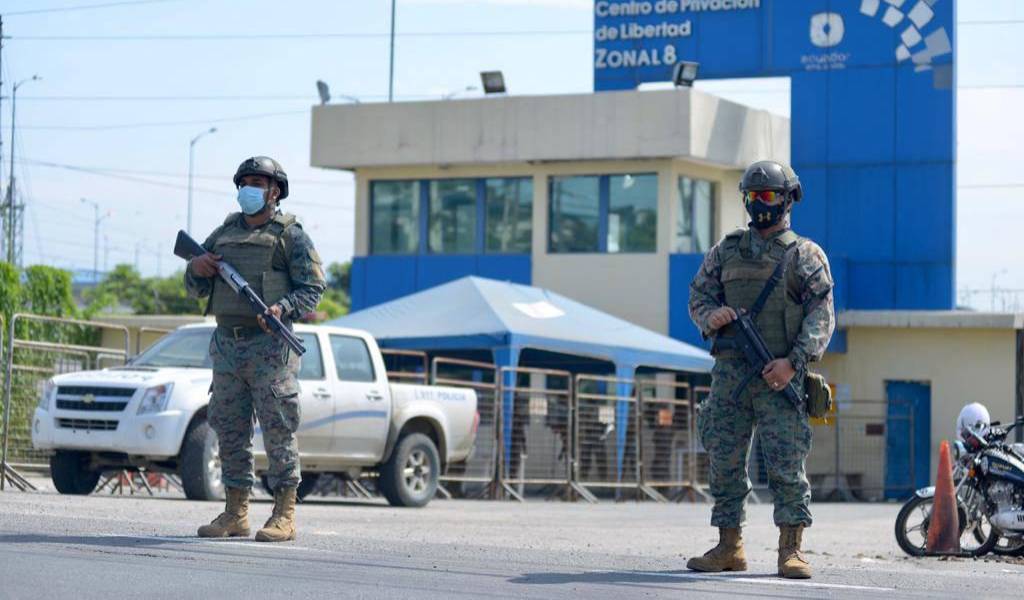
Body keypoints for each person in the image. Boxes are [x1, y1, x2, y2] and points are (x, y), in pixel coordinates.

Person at [686, 160, 835, 578]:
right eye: (753, 197)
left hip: (779, 375)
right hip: (731, 375)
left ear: (787, 200)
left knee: (787, 465)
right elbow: (698, 293)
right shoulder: (726, 250)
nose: (760, 205)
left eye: (768, 196)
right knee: (724, 459)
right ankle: (728, 546)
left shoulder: (804, 255)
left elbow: (821, 316)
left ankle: (791, 549)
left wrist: (794, 363)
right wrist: (709, 316)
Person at [185, 156, 326, 542]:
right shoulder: (225, 232)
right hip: (228, 347)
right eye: (245, 181)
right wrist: (196, 267)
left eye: (258, 182)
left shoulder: (290, 235)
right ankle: (235, 513)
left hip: (270, 351)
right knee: (229, 430)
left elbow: (313, 287)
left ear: (274, 190)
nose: (250, 188)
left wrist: (283, 308)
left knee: (279, 431)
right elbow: (196, 284)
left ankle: (284, 514)